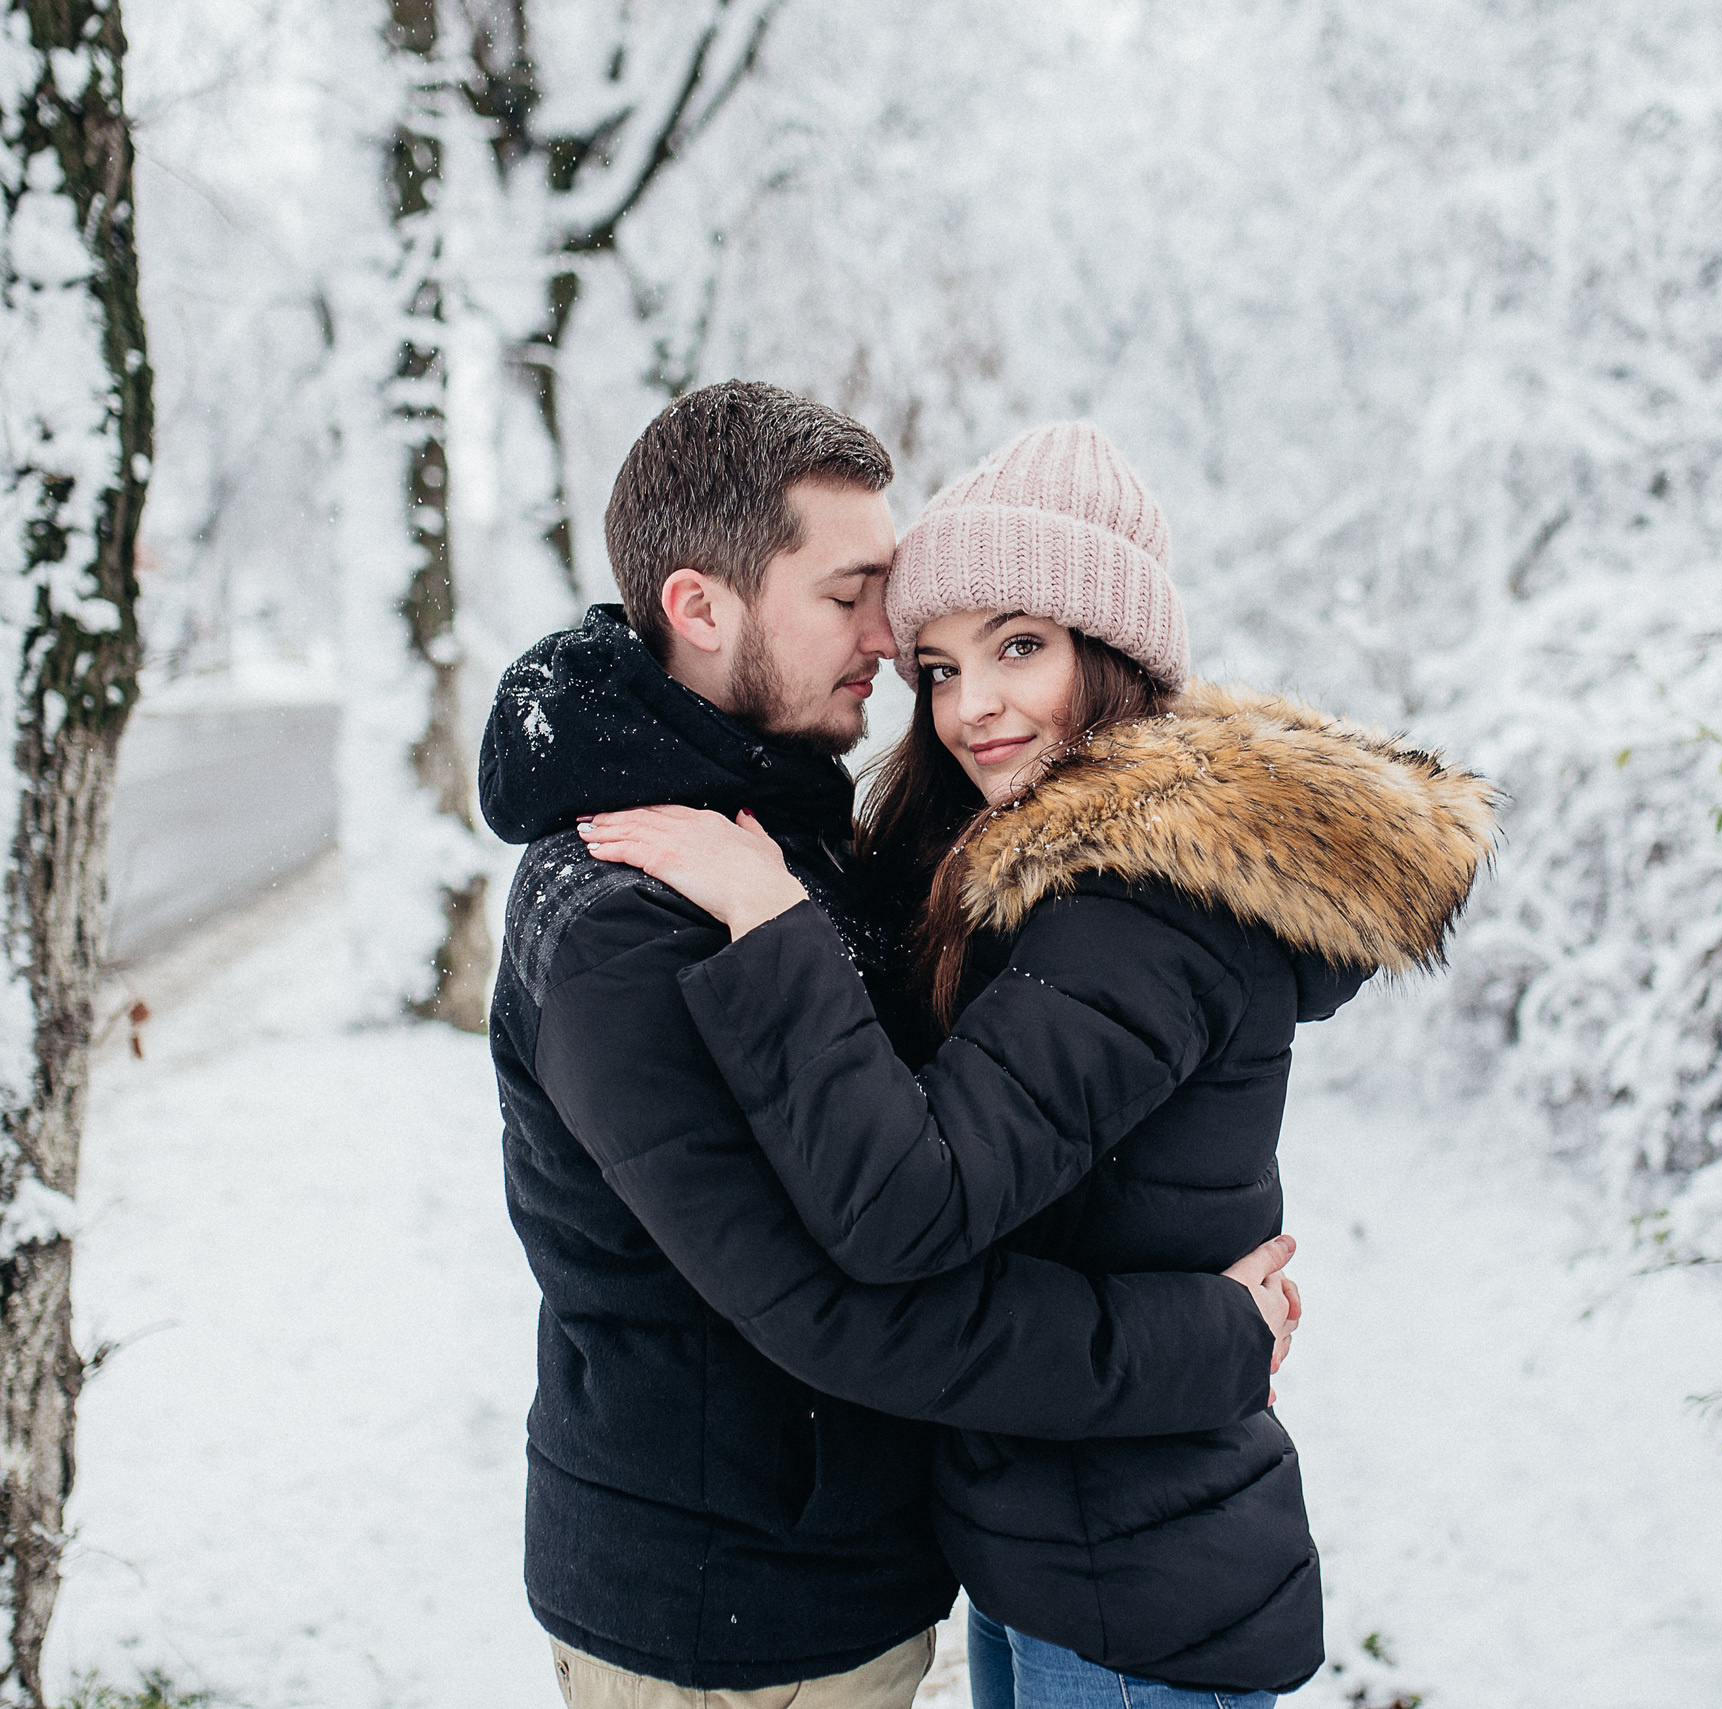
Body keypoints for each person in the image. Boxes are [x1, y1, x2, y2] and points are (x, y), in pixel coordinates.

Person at [578, 422, 1498, 1707]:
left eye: (1022, 646)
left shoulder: (1134, 908)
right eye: (942, 667)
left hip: (1134, 1574)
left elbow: (912, 1204)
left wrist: (775, 926)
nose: (972, 707)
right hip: (1058, 1545)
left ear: (1113, 649)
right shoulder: (1028, 882)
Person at [478, 385, 1304, 1709]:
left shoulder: (788, 835)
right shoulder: (638, 909)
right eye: (857, 597)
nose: (895, 639)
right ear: (702, 608)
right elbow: (840, 1297)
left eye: (1011, 644)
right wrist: (1201, 1342)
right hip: (727, 1614)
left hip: (885, 1577)